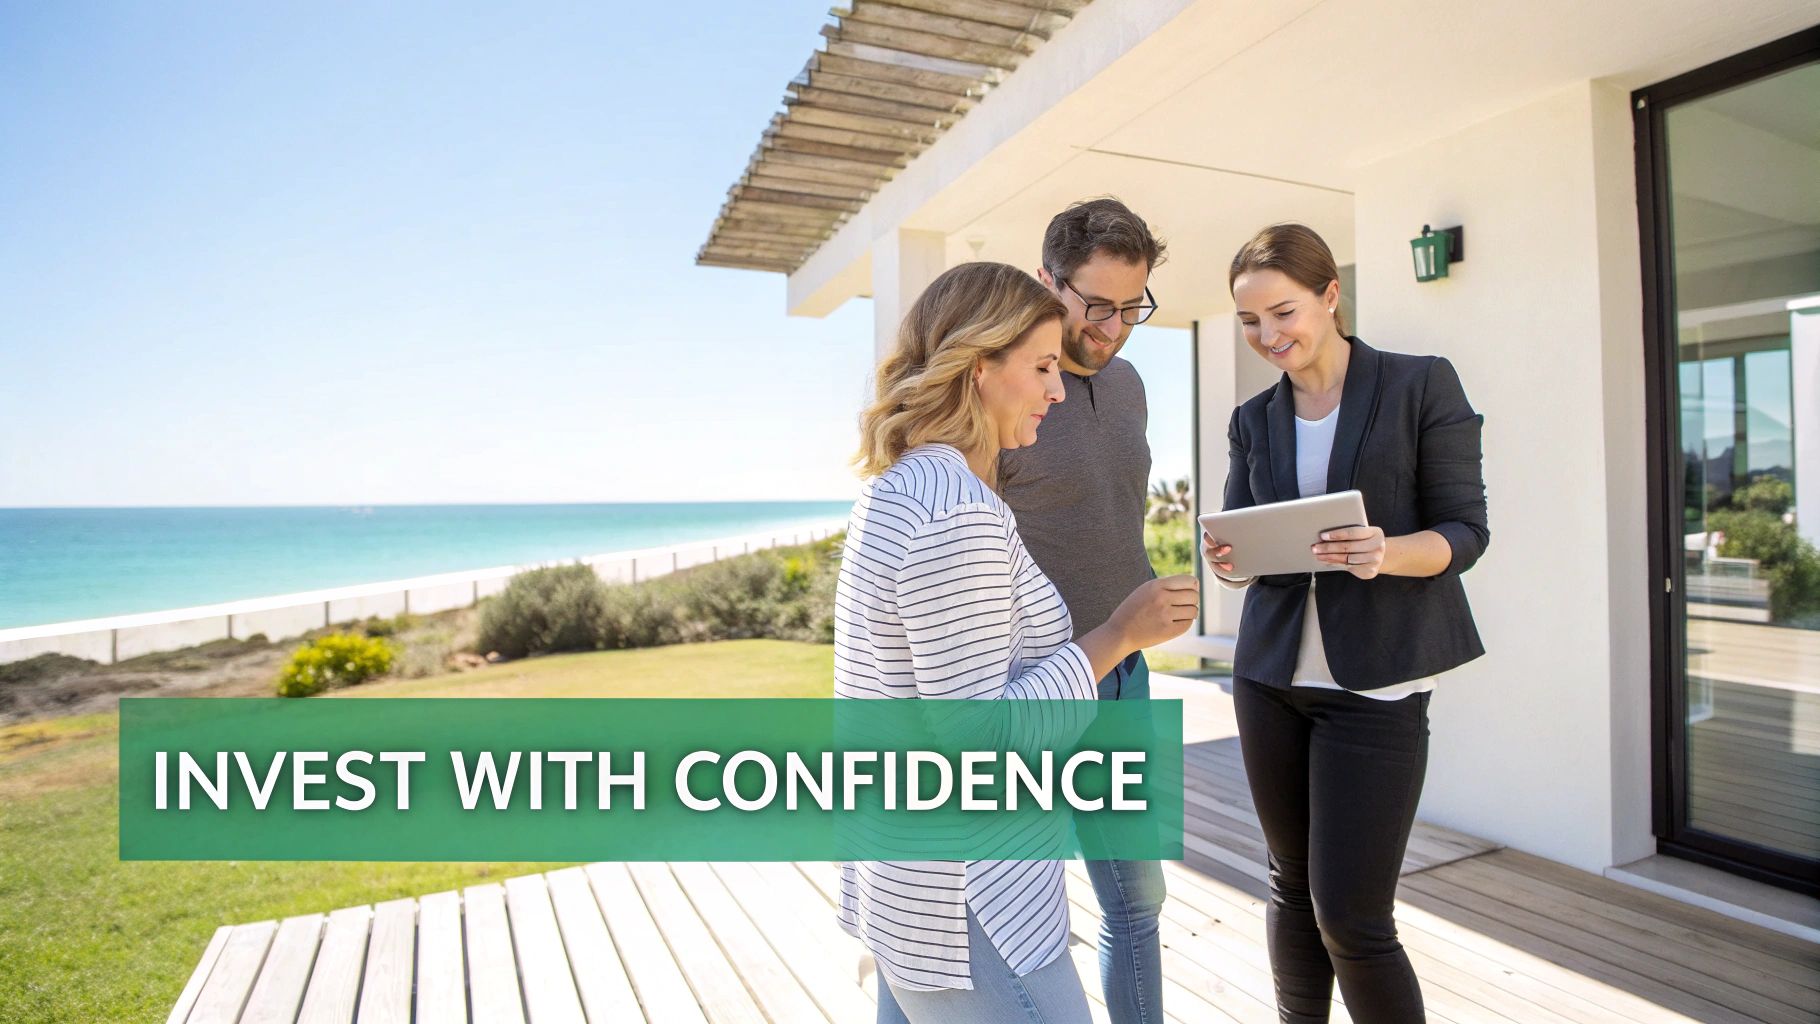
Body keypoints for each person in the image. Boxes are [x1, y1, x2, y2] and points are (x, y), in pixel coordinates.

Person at [835, 261, 1200, 1024]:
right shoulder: (953, 513)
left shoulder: (897, 488)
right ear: (978, 370)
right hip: (972, 901)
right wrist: (1117, 635)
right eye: (1039, 367)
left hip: (911, 883)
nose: (1057, 389)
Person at [1202, 223, 1488, 1023]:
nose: (1268, 336)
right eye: (1251, 322)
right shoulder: (1253, 419)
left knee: (1352, 918)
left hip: (1379, 686)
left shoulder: (1420, 385)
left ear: (1331, 296)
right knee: (1290, 887)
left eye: (1283, 313)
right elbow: (1247, 533)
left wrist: (1385, 552)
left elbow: (1466, 533)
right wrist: (1233, 560)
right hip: (1270, 680)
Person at [1004, 196, 1174, 1024]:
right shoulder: (1006, 389)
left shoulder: (1132, 383)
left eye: (1131, 307)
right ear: (1048, 282)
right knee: (992, 916)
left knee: (1138, 902)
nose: (1112, 327)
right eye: (1095, 305)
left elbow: (1112, 508)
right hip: (1029, 686)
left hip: (1124, 677)